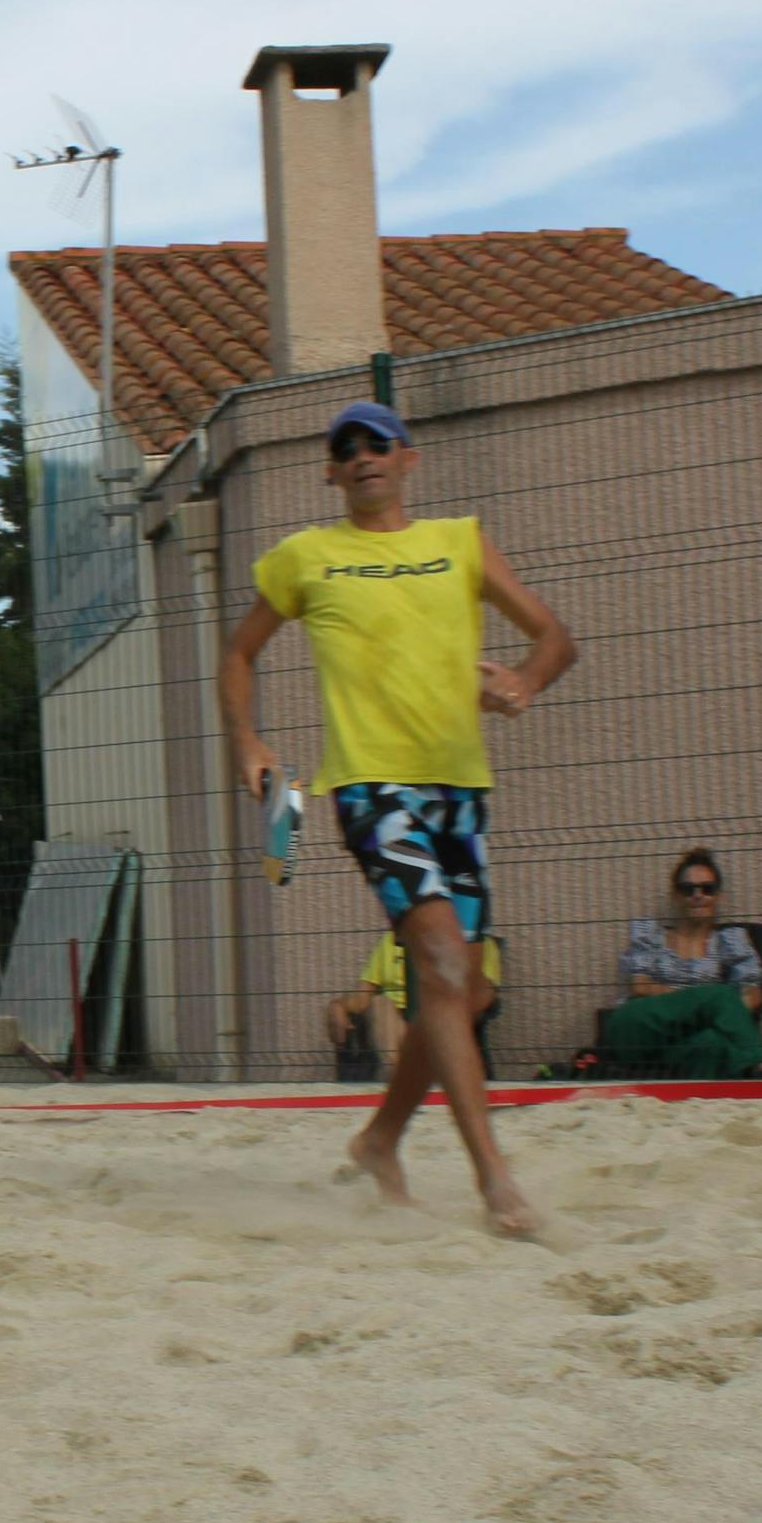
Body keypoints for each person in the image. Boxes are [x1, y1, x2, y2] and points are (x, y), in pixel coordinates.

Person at [221, 400, 576, 1237]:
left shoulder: (458, 542)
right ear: (331, 471)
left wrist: (524, 681)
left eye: (377, 443)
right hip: (370, 790)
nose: (362, 456)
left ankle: (381, 1138)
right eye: (345, 448)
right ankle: (497, 1182)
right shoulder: (306, 558)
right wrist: (249, 739)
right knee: (445, 967)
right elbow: (239, 652)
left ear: (407, 459)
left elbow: (555, 635)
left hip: (458, 788)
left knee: (466, 989)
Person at [598, 847, 762, 1076]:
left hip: (687, 1040)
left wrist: (712, 1013)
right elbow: (640, 986)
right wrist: (704, 1005)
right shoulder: (650, 934)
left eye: (707, 889)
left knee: (711, 1043)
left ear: (718, 896)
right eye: (688, 889)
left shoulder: (730, 940)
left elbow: (753, 993)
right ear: (676, 895)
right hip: (639, 1029)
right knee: (719, 995)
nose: (698, 895)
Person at [322, 931, 502, 1081]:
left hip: (441, 1020)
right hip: (394, 1024)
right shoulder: (392, 939)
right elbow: (362, 997)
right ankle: (397, 1075)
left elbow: (484, 998)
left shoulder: (479, 944)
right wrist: (338, 1005)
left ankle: (401, 1085)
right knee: (380, 1003)